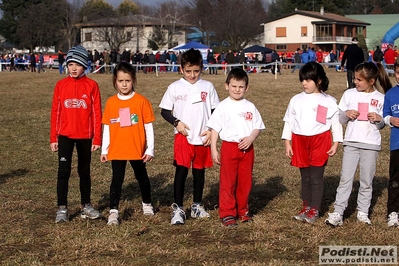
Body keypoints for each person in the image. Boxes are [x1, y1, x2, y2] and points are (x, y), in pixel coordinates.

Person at [325, 62, 392, 227]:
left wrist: (379, 119)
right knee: (346, 179)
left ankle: (362, 212)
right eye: (355, 79)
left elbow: (382, 124)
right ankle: (338, 212)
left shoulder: (381, 98)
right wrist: (346, 114)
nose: (355, 82)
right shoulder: (349, 94)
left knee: (366, 180)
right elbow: (340, 119)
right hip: (351, 143)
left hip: (371, 143)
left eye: (359, 80)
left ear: (371, 81)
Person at [159, 48, 220, 225]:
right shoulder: (174, 87)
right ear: (181, 69)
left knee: (199, 172)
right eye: (188, 71)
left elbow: (216, 111)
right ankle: (178, 208)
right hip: (183, 137)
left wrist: (210, 129)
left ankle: (197, 206)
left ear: (201, 68)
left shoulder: (207, 87)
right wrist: (176, 122)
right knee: (181, 171)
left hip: (202, 137)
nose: (192, 75)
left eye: (196, 71)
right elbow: (164, 111)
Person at [282, 62, 343, 224]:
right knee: (305, 178)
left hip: (320, 140)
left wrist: (336, 142)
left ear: (319, 80)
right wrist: (287, 142)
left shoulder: (329, 101)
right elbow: (289, 121)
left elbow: (335, 124)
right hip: (299, 141)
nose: (304, 83)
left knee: (316, 177)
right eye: (303, 80)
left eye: (308, 80)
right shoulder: (296, 100)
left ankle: (315, 209)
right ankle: (306, 206)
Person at [50, 45, 102, 223]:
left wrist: (97, 138)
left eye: (78, 65)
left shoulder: (92, 86)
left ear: (85, 66)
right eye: (70, 64)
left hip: (85, 138)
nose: (73, 68)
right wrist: (53, 137)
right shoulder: (60, 85)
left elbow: (97, 114)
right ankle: (62, 208)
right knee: (63, 172)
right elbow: (55, 112)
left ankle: (86, 205)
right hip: (64, 136)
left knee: (84, 172)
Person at [207, 68, 265, 227]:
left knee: (245, 182)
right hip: (229, 148)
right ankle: (227, 213)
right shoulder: (222, 106)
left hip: (247, 150)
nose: (237, 90)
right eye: (234, 86)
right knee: (228, 182)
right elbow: (214, 129)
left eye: (240, 87)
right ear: (227, 86)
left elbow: (257, 127)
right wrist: (214, 149)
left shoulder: (250, 106)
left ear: (246, 88)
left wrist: (251, 138)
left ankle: (243, 211)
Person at [101, 62, 155, 225]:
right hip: (117, 149)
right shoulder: (111, 102)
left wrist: (150, 149)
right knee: (117, 179)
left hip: (136, 149)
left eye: (128, 81)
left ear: (133, 80)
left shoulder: (141, 101)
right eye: (120, 81)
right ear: (115, 82)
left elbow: (148, 127)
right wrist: (104, 149)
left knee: (142, 177)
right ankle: (113, 211)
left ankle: (147, 204)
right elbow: (108, 128)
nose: (124, 84)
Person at [383, 61, 399, 227]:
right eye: (398, 72)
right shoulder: (391, 94)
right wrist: (391, 120)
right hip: (397, 144)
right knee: (395, 180)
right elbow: (385, 115)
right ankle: (393, 212)